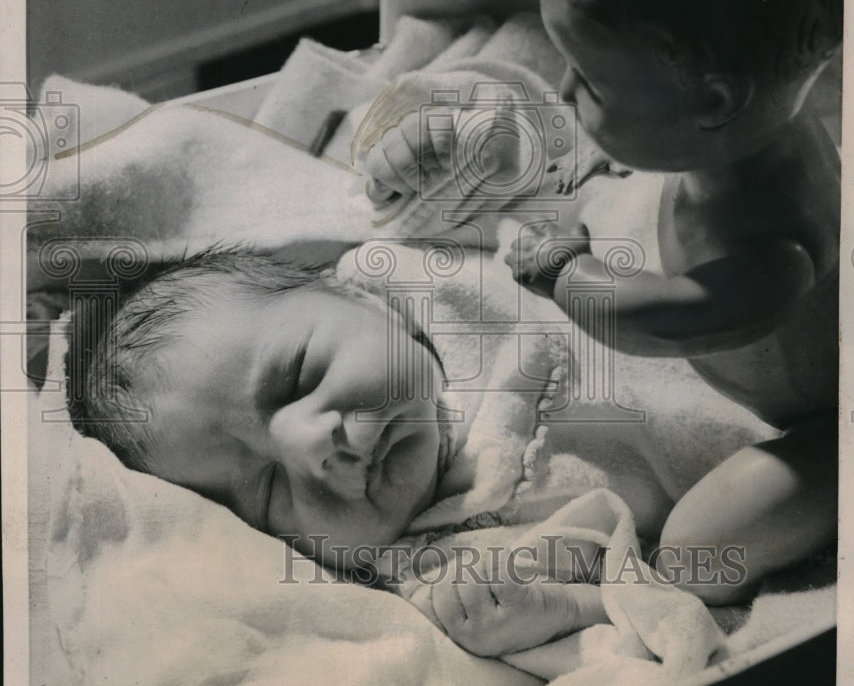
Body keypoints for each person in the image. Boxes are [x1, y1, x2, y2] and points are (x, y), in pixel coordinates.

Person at [503, 0, 842, 604]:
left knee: (695, 549)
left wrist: (567, 275)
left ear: (711, 103)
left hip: (834, 416)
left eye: (589, 81)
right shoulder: (737, 137)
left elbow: (675, 322)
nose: (559, 91)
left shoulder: (775, 238)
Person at [66, 248, 608, 656]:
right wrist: (556, 611)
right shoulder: (443, 573)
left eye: (298, 375)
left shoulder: (418, 275)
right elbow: (653, 590)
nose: (309, 448)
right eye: (269, 488)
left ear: (358, 297)